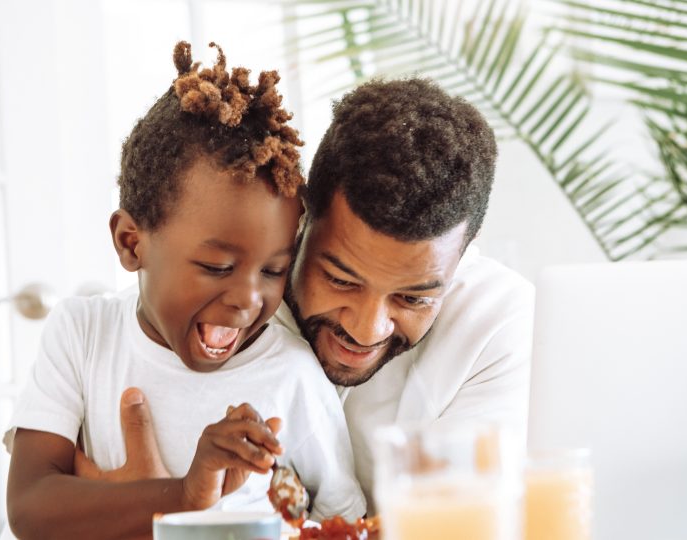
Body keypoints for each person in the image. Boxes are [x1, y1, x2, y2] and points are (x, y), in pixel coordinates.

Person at [86, 77, 535, 512]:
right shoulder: (226, 307)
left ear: (460, 259)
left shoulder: (496, 322)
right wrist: (131, 506)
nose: (365, 330)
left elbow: (458, 525)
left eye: (412, 299)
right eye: (341, 280)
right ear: (301, 220)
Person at [4, 41, 365, 539]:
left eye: (273, 270)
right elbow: (30, 508)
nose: (247, 298)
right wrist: (187, 495)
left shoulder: (292, 376)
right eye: (217, 266)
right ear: (132, 244)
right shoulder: (82, 336)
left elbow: (345, 521)